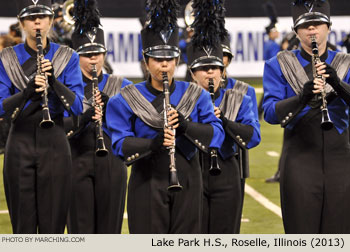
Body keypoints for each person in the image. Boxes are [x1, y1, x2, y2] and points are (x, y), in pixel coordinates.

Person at [106, 0, 224, 234]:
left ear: (177, 61)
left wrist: (187, 126)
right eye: (158, 60)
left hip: (189, 178)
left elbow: (217, 135)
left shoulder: (195, 94)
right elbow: (119, 144)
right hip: (146, 180)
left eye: (169, 60)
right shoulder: (124, 98)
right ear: (146, 61)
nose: (164, 66)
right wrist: (152, 143)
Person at [262, 0, 350, 233]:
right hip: (300, 158)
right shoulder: (278, 64)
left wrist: (337, 84)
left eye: (317, 23)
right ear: (296, 30)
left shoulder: (345, 63)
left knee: (339, 234)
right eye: (305, 25)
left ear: (328, 27)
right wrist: (301, 98)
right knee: (302, 235)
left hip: (341, 159)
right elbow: (269, 113)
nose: (312, 29)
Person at [0, 0, 84, 233]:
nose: (37, 21)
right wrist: (26, 92)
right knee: (23, 227)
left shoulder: (67, 57)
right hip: (19, 142)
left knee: (53, 227)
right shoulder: (6, 58)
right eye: (30, 17)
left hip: (55, 144)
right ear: (21, 23)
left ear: (50, 21)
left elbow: (78, 108)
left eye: (42, 16)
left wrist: (55, 82)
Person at [65, 0, 131, 234]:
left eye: (97, 53)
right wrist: (84, 116)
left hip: (112, 163)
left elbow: (136, 126)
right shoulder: (66, 87)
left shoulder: (123, 87)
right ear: (76, 55)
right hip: (75, 160)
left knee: (109, 230)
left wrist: (111, 108)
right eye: (87, 54)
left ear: (104, 53)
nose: (93, 59)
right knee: (80, 231)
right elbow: (57, 129)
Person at [221, 35, 260, 232]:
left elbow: (252, 131)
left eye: (223, 55)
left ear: (229, 59)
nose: (219, 59)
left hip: (235, 159)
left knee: (230, 223)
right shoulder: (194, 89)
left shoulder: (244, 90)